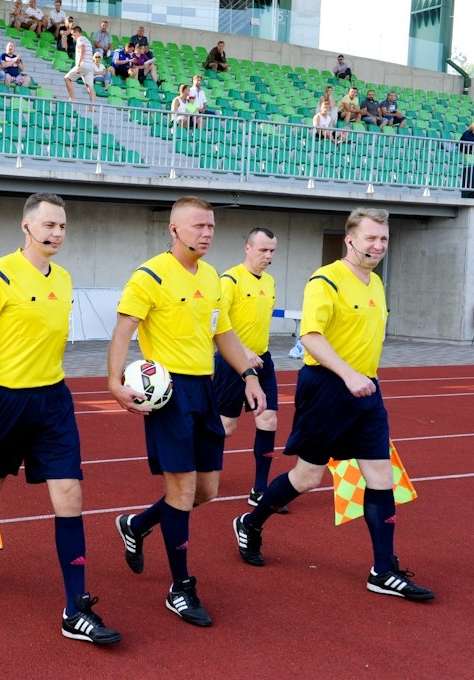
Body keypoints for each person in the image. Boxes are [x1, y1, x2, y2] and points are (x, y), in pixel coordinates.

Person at [232, 208, 434, 603]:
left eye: (384, 239)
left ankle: (383, 570)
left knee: (380, 474)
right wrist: (348, 375)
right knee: (308, 478)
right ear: (350, 239)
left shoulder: (375, 283)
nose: (378, 246)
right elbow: (310, 336)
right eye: (371, 238)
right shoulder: (325, 280)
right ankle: (250, 523)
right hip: (326, 388)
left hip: (366, 392)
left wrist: (364, 378)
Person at [0, 192, 121, 645]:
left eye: (62, 226)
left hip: (54, 401)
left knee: (70, 495)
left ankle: (75, 608)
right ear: (27, 227)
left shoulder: (63, 278)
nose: (57, 233)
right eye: (48, 225)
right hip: (5, 401)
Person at [108, 196, 266, 627]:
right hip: (169, 394)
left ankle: (137, 525)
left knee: (206, 492)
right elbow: (124, 329)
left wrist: (248, 376)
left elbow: (224, 334)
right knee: (180, 492)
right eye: (198, 226)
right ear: (174, 230)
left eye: (211, 226)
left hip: (207, 390)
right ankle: (180, 587)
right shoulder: (150, 276)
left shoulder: (214, 276)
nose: (208, 233)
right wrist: (113, 383)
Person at [215, 228, 286, 511]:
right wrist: (243, 353)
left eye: (272, 251)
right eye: (263, 250)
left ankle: (260, 490)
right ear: (247, 248)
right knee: (226, 427)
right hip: (232, 362)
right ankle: (204, 468)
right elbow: (217, 326)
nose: (268, 256)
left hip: (263, 362)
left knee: (268, 420)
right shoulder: (229, 280)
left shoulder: (269, 282)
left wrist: (257, 355)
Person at [63, 26, 95, 108]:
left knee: (67, 78)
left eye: (73, 34)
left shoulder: (80, 39)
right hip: (91, 66)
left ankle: (71, 99)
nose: (72, 36)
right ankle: (92, 106)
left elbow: (82, 51)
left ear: (77, 32)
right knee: (90, 86)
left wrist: (78, 65)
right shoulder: (87, 40)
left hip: (84, 64)